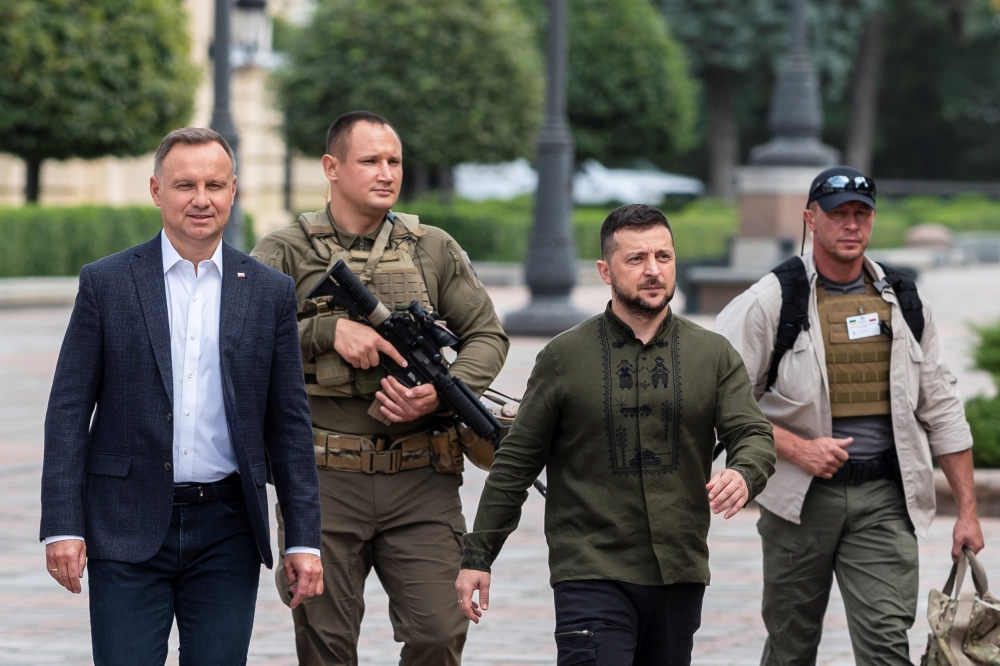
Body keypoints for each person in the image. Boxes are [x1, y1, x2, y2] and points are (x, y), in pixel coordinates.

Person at [39, 127, 323, 665]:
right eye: (184, 184)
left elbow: (289, 422)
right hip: (124, 523)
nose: (201, 199)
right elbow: (69, 410)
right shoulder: (107, 283)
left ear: (233, 191)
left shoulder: (268, 292)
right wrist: (62, 524)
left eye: (214, 184)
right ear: (156, 191)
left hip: (227, 529)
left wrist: (303, 539)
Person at [455, 204, 776, 665]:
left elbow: (753, 433)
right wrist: (477, 556)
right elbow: (515, 463)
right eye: (637, 259)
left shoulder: (712, 354)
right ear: (605, 270)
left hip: (679, 572)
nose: (653, 271)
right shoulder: (564, 357)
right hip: (590, 570)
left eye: (663, 257)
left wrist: (744, 473)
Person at [251, 110, 508, 666]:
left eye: (394, 161)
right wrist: (325, 330)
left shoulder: (433, 247)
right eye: (370, 161)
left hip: (422, 478)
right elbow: (236, 338)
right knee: (327, 647)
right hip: (322, 482)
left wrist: (445, 392)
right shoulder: (284, 251)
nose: (386, 172)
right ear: (332, 167)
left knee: (440, 631)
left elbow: (486, 335)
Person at [714, 166, 984, 665]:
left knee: (885, 645)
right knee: (791, 646)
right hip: (799, 500)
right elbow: (717, 396)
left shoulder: (903, 300)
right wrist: (797, 448)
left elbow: (942, 407)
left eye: (862, 213)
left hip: (884, 497)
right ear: (810, 219)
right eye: (839, 213)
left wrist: (966, 511)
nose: (852, 225)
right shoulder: (771, 300)